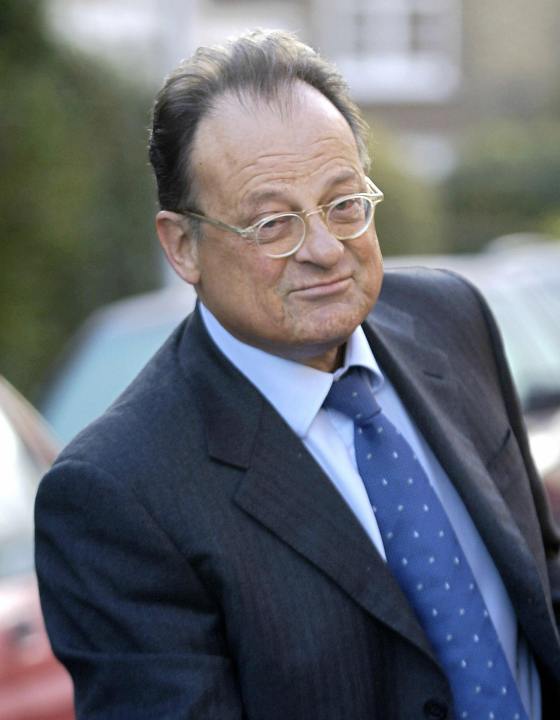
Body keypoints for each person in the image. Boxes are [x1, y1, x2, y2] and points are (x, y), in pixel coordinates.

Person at [35, 29, 560, 720]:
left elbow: (538, 581)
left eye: (345, 205)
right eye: (273, 224)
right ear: (182, 245)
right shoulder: (118, 495)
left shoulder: (451, 319)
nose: (325, 249)